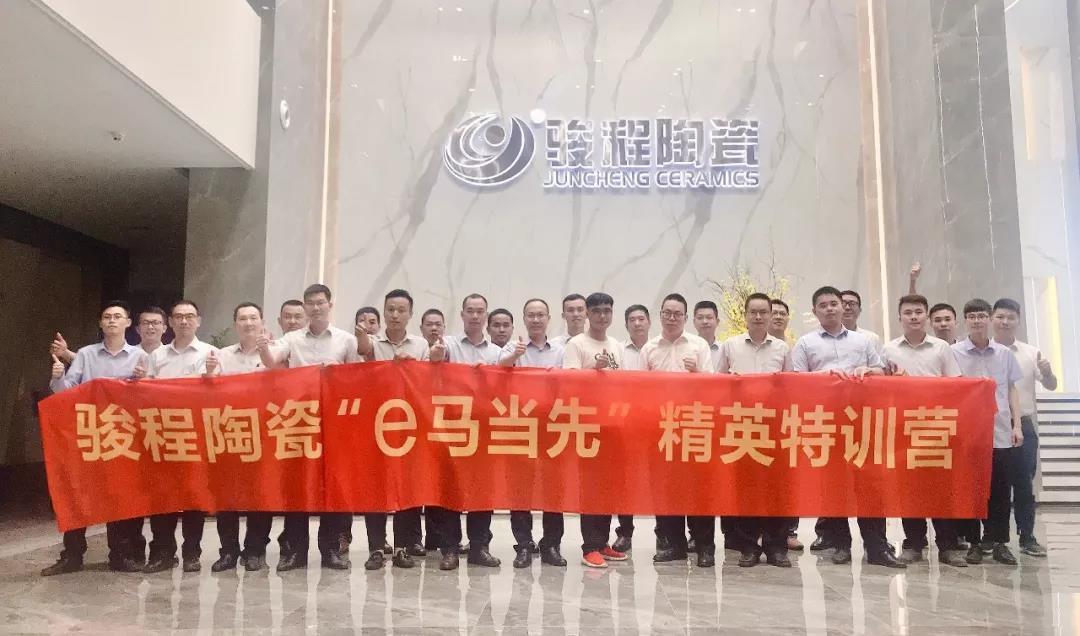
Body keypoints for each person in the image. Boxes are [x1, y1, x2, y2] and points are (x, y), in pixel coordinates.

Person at [792, 286, 903, 568]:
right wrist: (826, 376)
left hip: (861, 420)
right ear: (815, 311)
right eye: (823, 305)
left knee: (870, 485)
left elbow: (880, 370)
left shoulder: (862, 341)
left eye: (834, 303)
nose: (829, 308)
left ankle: (877, 548)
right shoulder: (805, 343)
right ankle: (840, 544)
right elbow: (797, 382)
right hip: (826, 422)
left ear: (843, 307)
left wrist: (869, 371)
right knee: (834, 486)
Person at [41, 301, 149, 576]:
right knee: (78, 493)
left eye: (117, 316)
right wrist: (58, 378)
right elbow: (66, 393)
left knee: (117, 495)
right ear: (101, 323)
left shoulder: (140, 357)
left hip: (120, 437)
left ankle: (120, 555)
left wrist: (144, 381)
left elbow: (148, 398)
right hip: (87, 435)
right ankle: (72, 555)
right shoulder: (86, 355)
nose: (112, 320)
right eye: (107, 317)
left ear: (128, 323)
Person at [260, 284, 361, 571]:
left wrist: (337, 371)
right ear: (304, 307)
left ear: (330, 304)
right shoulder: (291, 339)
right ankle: (295, 551)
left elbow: (355, 379)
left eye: (320, 302)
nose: (315, 308)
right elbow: (272, 362)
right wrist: (264, 347)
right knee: (297, 486)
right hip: (299, 420)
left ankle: (331, 550)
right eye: (310, 303)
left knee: (331, 486)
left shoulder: (346, 340)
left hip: (333, 421)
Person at [880, 295, 967, 568]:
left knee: (941, 488)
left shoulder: (941, 348)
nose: (914, 316)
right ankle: (914, 543)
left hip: (937, 425)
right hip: (903, 427)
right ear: (900, 318)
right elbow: (881, 387)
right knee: (909, 489)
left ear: (926, 316)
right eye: (908, 312)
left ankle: (948, 546)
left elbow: (955, 385)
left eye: (919, 312)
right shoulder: (889, 349)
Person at [355, 289, 433, 570]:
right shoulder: (374, 343)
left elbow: (428, 381)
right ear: (384, 312)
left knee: (407, 487)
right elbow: (363, 355)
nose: (395, 315)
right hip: (377, 423)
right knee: (375, 487)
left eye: (401, 310)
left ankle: (402, 547)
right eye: (390, 309)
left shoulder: (420, 345)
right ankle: (376, 547)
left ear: (410, 314)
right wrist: (362, 336)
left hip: (410, 425)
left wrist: (413, 367)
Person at [715, 293, 793, 568]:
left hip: (774, 426)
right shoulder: (731, 345)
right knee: (746, 488)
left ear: (771, 315)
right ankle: (748, 546)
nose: (758, 317)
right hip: (742, 424)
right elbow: (717, 382)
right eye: (753, 312)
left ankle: (777, 547)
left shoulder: (782, 348)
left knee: (777, 488)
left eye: (763, 312)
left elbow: (791, 386)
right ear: (745, 315)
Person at [142, 300, 220, 573]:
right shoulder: (157, 356)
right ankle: (162, 552)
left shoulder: (211, 354)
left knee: (193, 496)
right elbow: (146, 393)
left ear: (198, 320)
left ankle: (192, 553)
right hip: (162, 435)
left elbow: (219, 395)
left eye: (189, 316)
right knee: (162, 496)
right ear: (171, 322)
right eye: (178, 317)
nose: (184, 321)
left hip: (195, 435)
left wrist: (210, 376)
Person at [427, 293, 503, 570]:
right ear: (462, 315)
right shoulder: (448, 344)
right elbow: (433, 365)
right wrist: (436, 357)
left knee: (482, 490)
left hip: (483, 428)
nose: (475, 315)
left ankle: (479, 547)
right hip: (452, 428)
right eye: (470, 310)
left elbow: (503, 386)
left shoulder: (495, 352)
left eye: (480, 311)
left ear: (486, 316)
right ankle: (449, 549)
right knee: (451, 489)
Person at [644, 293, 716, 568]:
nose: (672, 318)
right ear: (661, 315)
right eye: (667, 313)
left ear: (686, 318)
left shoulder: (699, 345)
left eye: (677, 314)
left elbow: (713, 387)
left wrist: (696, 372)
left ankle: (704, 546)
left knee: (699, 489)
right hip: (661, 427)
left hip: (694, 424)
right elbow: (638, 390)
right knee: (666, 488)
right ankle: (673, 545)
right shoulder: (649, 348)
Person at [952, 298, 1025, 566]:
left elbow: (1012, 389)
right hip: (967, 434)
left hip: (1000, 431)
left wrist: (1017, 425)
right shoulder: (954, 353)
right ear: (965, 320)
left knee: (1000, 491)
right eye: (972, 316)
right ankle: (974, 543)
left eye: (981, 315)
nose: (977, 320)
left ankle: (999, 543)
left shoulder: (1004, 354)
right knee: (971, 490)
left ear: (989, 318)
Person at [499, 298, 568, 568]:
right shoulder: (513, 347)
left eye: (541, 315)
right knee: (520, 489)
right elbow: (500, 368)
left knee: (553, 489)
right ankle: (524, 545)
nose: (536, 320)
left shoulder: (561, 350)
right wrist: (514, 357)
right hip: (521, 426)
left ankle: (551, 545)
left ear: (549, 318)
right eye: (531, 315)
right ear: (524, 319)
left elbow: (572, 382)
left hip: (553, 427)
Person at [562, 292, 627, 568]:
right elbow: (569, 383)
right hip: (587, 425)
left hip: (612, 425)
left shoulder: (617, 345)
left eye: (607, 311)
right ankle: (589, 546)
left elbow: (624, 384)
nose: (602, 316)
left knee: (608, 487)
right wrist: (593, 370)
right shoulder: (577, 344)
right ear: (587, 313)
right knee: (590, 488)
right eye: (597, 311)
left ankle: (602, 543)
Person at [211, 302, 274, 572]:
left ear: (262, 321)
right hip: (229, 432)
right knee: (227, 495)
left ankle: (255, 550)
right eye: (243, 319)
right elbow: (210, 391)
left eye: (253, 318)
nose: (248, 323)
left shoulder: (274, 354)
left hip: (265, 433)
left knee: (261, 494)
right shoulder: (222, 355)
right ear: (235, 323)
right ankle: (228, 551)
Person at [991, 297, 1055, 557]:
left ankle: (1027, 536)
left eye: (1010, 317)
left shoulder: (1030, 352)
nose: (1005, 322)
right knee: (996, 486)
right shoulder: (985, 351)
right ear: (992, 319)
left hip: (1023, 425)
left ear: (1018, 320)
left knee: (1024, 485)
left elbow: (1050, 385)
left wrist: (1047, 372)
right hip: (993, 426)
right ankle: (995, 539)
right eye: (1000, 317)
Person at [612, 303, 651, 552]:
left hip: (656, 421)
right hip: (624, 422)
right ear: (626, 324)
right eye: (632, 319)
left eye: (641, 319)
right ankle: (625, 532)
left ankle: (666, 534)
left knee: (658, 478)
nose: (637, 323)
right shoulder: (617, 350)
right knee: (624, 480)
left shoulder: (658, 348)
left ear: (649, 322)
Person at [840, 290, 883, 354]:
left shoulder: (872, 338)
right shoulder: (827, 337)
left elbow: (880, 360)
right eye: (843, 303)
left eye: (852, 304)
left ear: (860, 310)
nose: (847, 307)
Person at [693, 300, 722, 371]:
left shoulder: (724, 349)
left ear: (717, 321)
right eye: (700, 318)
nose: (704, 321)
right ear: (694, 322)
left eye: (709, 317)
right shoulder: (688, 348)